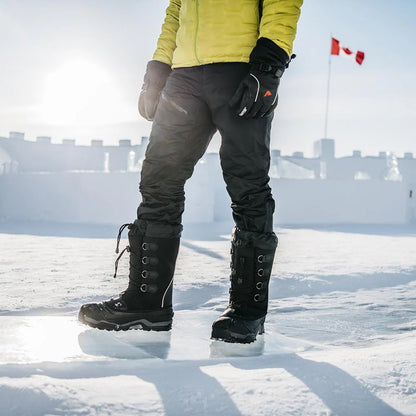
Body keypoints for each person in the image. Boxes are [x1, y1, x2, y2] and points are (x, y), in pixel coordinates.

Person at [79, 0, 303, 343]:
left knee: (247, 185)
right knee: (158, 180)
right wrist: (157, 71)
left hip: (241, 68)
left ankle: (247, 312)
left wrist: (270, 63)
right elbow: (175, 13)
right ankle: (147, 304)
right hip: (182, 76)